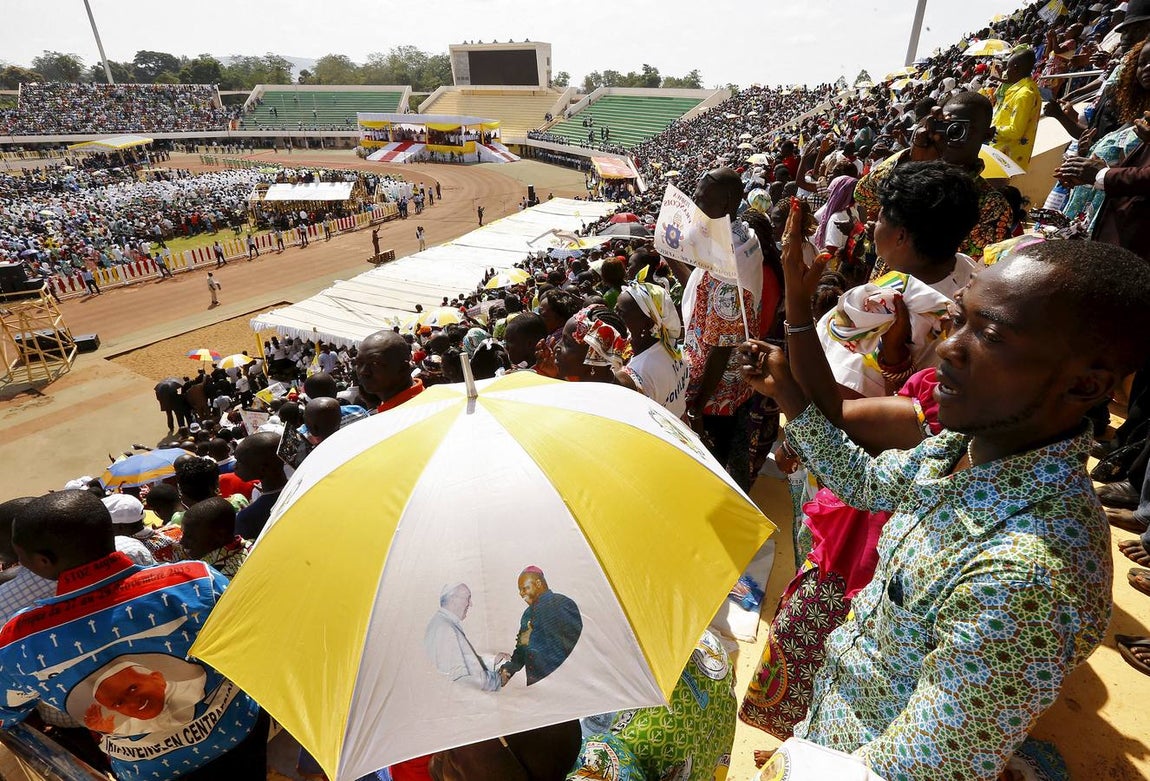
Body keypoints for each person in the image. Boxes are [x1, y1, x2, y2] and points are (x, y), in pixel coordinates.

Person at [750, 239, 1150, 780]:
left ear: (1085, 384)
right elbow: (868, 483)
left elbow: (922, 767)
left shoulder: (1027, 576)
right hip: (832, 730)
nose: (947, 349)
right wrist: (790, 398)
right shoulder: (968, 444)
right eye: (959, 320)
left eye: (991, 336)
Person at [0, 491, 267, 781]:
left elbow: (5, 709)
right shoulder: (196, 580)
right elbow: (248, 641)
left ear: (43, 561)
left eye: (19, 555)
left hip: (152, 772)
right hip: (239, 733)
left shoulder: (20, 640)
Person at [676, 168, 764, 489]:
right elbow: (704, 294)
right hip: (727, 385)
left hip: (716, 394)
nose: (695, 205)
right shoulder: (740, 237)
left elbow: (723, 345)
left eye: (701, 199)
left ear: (726, 202)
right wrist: (670, 255)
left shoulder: (731, 264)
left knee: (713, 468)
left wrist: (698, 407)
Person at [855, 91, 1012, 259]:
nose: (953, 134)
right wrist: (913, 164)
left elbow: (963, 265)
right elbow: (863, 194)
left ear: (988, 134)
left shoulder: (991, 205)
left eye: (964, 128)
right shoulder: (913, 166)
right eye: (948, 126)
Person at [615, 280, 688, 417]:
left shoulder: (639, 370)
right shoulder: (671, 347)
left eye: (621, 313)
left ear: (647, 323)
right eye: (615, 310)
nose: (615, 316)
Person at [498, 567, 582, 687]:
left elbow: (573, 646)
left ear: (538, 584)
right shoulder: (527, 614)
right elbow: (521, 650)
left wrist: (532, 639)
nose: (521, 593)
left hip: (563, 683)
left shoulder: (563, 604)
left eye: (524, 588)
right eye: (520, 590)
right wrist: (509, 669)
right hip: (535, 686)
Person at [424, 583, 502, 691]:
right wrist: (498, 680)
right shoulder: (445, 629)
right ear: (453, 600)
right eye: (468, 598)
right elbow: (460, 680)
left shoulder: (443, 623)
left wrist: (493, 660)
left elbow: (466, 661)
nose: (471, 604)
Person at [991, 48, 1042, 170]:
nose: (1006, 72)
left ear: (1015, 68)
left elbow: (1016, 131)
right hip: (1001, 154)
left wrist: (992, 130)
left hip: (1004, 159)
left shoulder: (1024, 94)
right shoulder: (1023, 89)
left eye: (1007, 68)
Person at [233, 432, 288, 540]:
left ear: (262, 470)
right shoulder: (302, 486)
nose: (235, 467)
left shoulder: (247, 518)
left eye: (239, 462)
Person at [180, 496, 251, 579]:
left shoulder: (216, 579)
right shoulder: (252, 549)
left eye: (190, 537)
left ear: (220, 535)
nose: (182, 542)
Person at [355, 329, 423, 412]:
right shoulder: (391, 406)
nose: (363, 371)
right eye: (359, 363)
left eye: (375, 363)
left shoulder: (414, 410)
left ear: (403, 368)